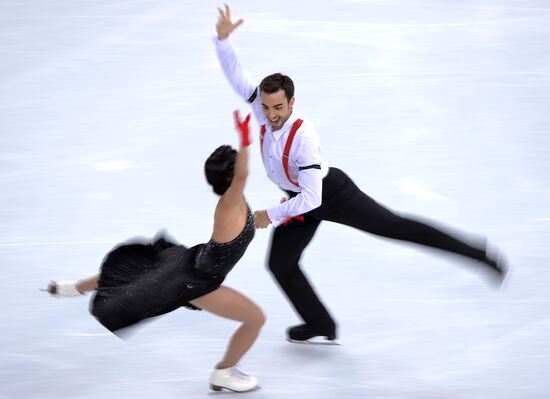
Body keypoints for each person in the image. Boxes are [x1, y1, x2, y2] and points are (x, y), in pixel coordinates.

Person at [213, 4, 508, 344]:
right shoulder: (262, 110)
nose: (271, 114)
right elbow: (238, 77)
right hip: (300, 199)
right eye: (266, 107)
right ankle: (321, 323)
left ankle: (477, 253)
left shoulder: (304, 137)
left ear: (292, 103)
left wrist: (270, 214)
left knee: (393, 226)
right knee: (281, 263)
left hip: (330, 193)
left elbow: (314, 198)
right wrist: (223, 42)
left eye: (278, 107)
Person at [47, 111, 264, 393]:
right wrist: (245, 139)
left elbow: (249, 216)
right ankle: (223, 373)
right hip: (198, 281)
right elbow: (244, 174)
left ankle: (73, 288)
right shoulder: (229, 203)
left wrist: (275, 214)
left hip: (190, 262)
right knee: (256, 319)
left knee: (134, 275)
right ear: (233, 177)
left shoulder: (236, 204)